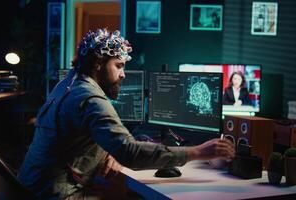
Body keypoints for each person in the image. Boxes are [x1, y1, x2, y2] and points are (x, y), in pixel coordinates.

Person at [17, 28, 235, 199]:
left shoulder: (67, 84)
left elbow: (76, 137)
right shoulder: (92, 99)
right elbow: (130, 153)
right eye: (119, 65)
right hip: (58, 195)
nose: (123, 74)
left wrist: (108, 151)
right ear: (99, 63)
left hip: (29, 189)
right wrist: (198, 152)